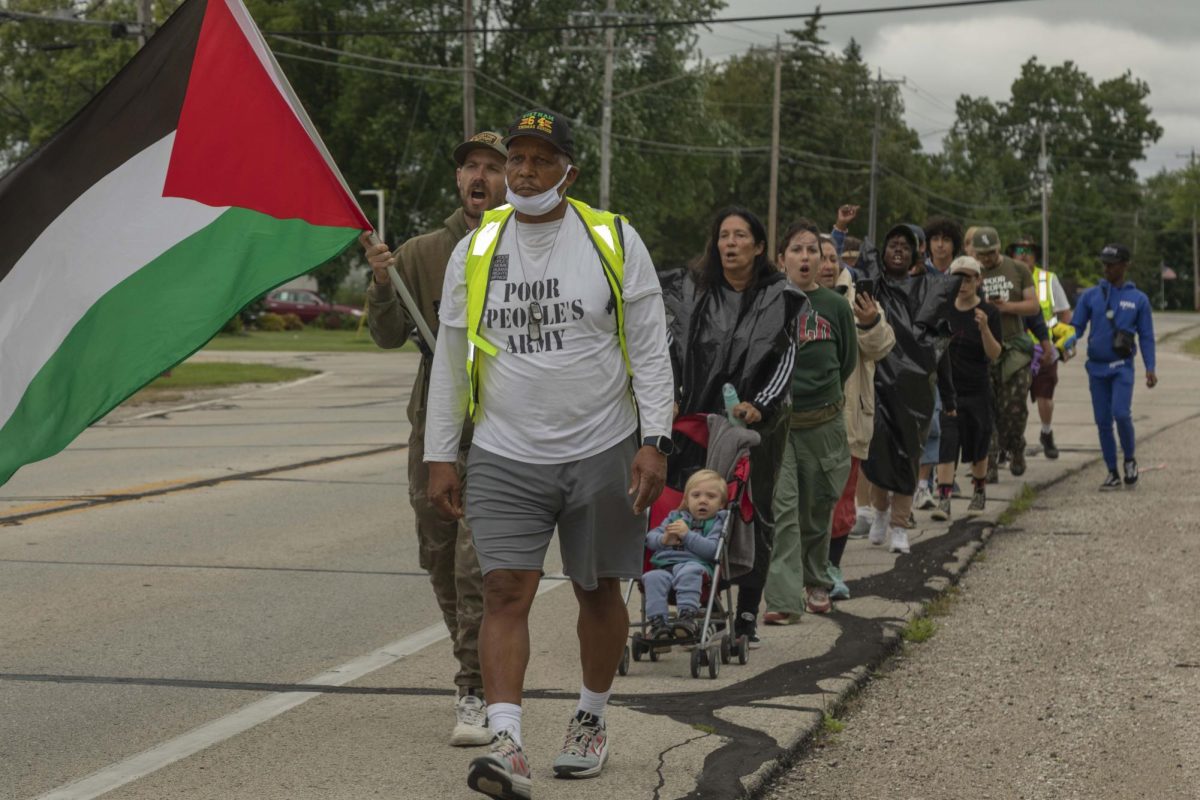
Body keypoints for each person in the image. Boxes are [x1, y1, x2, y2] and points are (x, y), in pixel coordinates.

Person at [423, 109, 674, 798]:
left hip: (603, 447)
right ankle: (507, 742)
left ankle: (591, 718)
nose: (525, 171)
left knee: (597, 590)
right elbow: (451, 356)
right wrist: (441, 454)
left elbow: (652, 349)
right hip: (504, 450)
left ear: (570, 170)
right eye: (517, 159)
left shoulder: (611, 238)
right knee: (505, 590)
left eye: (541, 158)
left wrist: (655, 441)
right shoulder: (476, 248)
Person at [358, 130, 507, 747]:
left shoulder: (523, 246)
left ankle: (473, 686)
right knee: (440, 556)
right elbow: (387, 337)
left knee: (478, 564)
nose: (481, 177)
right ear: (458, 179)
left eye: (493, 168)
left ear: (510, 179)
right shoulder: (422, 253)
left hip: (501, 421)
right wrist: (383, 282)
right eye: (471, 166)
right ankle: (470, 660)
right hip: (436, 422)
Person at [663, 207, 805, 649]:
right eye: (723, 235)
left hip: (754, 424)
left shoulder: (780, 296)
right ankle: (699, 602)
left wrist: (759, 405)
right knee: (695, 507)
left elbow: (786, 359)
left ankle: (746, 613)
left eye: (740, 235)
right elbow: (670, 349)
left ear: (759, 246)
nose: (730, 243)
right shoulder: (695, 292)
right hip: (697, 420)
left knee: (751, 510)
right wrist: (667, 395)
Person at [764, 220, 857, 622]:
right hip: (781, 426)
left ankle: (816, 581)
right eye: (797, 250)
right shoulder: (769, 302)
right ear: (780, 259)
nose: (806, 257)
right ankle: (784, 600)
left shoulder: (835, 306)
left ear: (822, 260)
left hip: (825, 426)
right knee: (783, 511)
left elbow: (848, 360)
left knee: (818, 509)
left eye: (812, 251)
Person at [861, 224, 955, 554]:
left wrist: (950, 395)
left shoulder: (928, 289)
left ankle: (900, 525)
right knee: (875, 459)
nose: (897, 250)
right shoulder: (873, 288)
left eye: (905, 246)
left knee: (907, 459)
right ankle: (881, 512)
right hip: (877, 385)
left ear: (915, 254)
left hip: (914, 392)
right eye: (892, 245)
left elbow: (940, 349)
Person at [819, 230, 894, 596]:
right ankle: (801, 571)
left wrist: (868, 322)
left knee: (842, 499)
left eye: (833, 258)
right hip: (799, 421)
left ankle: (832, 568)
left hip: (848, 418)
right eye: (819, 256)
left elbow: (882, 347)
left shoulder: (859, 300)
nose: (827, 264)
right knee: (801, 502)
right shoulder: (789, 299)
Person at [1069, 244, 1157, 490]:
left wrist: (1150, 366)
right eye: (1104, 263)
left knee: (1121, 413)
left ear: (1125, 265)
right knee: (1103, 422)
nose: (1106, 268)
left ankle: (1129, 459)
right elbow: (1076, 327)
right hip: (1096, 368)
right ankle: (1112, 471)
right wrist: (1062, 344)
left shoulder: (1138, 299)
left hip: (1122, 367)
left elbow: (1147, 336)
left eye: (1112, 263)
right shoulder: (1090, 296)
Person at [972, 226, 1051, 479]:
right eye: (981, 254)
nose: (986, 259)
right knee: (988, 409)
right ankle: (991, 462)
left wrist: (1006, 307)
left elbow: (1033, 307)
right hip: (984, 347)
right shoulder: (971, 272)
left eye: (991, 253)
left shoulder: (1018, 270)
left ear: (999, 248)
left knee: (1014, 408)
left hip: (1015, 349)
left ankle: (1016, 446)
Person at [930, 256, 1003, 520]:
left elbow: (995, 353)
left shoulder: (989, 312)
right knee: (947, 443)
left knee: (978, 444)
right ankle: (945, 500)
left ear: (978, 281)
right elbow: (935, 349)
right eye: (958, 278)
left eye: (969, 278)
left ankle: (979, 490)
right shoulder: (943, 310)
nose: (963, 284)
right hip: (950, 391)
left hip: (978, 389)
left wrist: (984, 328)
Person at [643, 469, 730, 640]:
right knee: (651, 577)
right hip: (665, 566)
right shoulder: (675, 517)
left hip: (697, 566)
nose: (702, 500)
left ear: (721, 504)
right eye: (696, 495)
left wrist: (687, 535)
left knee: (689, 570)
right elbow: (650, 539)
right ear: (686, 500)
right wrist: (664, 539)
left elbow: (712, 550)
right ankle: (659, 624)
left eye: (710, 497)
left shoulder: (716, 522)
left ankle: (687, 617)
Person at [1007, 238, 1073, 459]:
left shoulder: (1047, 279)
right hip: (1015, 349)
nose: (1024, 255)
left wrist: (1061, 342)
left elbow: (1064, 312)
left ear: (1035, 256)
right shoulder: (1007, 279)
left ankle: (1046, 432)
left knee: (1045, 396)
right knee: (1012, 400)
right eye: (1019, 250)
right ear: (1011, 255)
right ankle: (1010, 443)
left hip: (1044, 349)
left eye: (1029, 251)